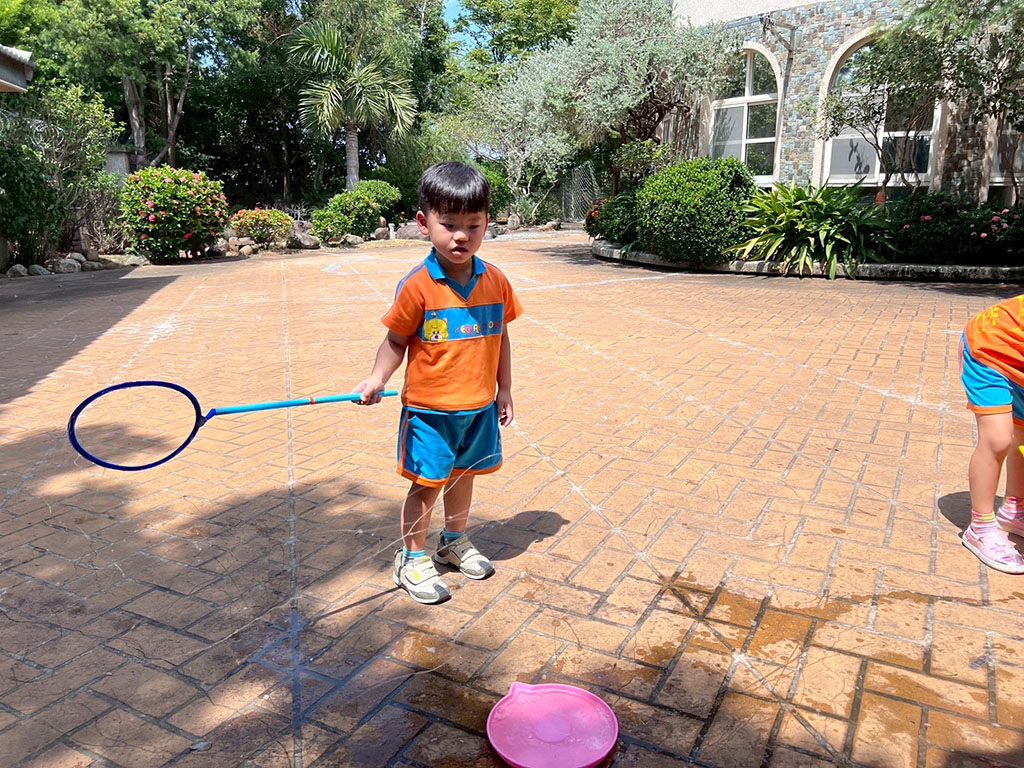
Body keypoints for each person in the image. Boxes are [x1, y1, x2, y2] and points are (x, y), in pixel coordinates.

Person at [354, 162, 523, 603]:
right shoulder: (417, 286)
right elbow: (396, 340)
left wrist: (504, 390)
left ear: (487, 222)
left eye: (473, 225)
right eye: (449, 225)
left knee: (464, 476)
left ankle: (452, 541)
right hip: (430, 412)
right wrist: (377, 378)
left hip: (478, 407)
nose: (461, 236)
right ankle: (410, 559)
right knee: (426, 485)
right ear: (423, 222)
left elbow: (501, 337)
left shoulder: (496, 281)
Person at [959, 294, 1024, 573]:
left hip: (1019, 356)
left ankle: (1015, 509)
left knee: (1022, 436)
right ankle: (981, 527)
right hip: (989, 349)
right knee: (998, 438)